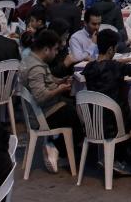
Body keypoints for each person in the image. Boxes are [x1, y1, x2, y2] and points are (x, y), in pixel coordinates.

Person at [82, 29, 131, 177]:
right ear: (111, 49)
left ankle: (117, 158)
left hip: (94, 122)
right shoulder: (117, 68)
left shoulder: (88, 68)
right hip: (116, 124)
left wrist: (127, 60)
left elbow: (107, 64)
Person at [22, 29, 79, 173]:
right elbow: (41, 96)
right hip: (44, 114)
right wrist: (60, 89)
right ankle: (57, 147)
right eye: (55, 50)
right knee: (80, 115)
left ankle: (60, 147)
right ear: (46, 49)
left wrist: (61, 81)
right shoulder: (35, 68)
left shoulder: (31, 59)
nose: (56, 53)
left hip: (46, 108)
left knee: (74, 106)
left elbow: (47, 80)